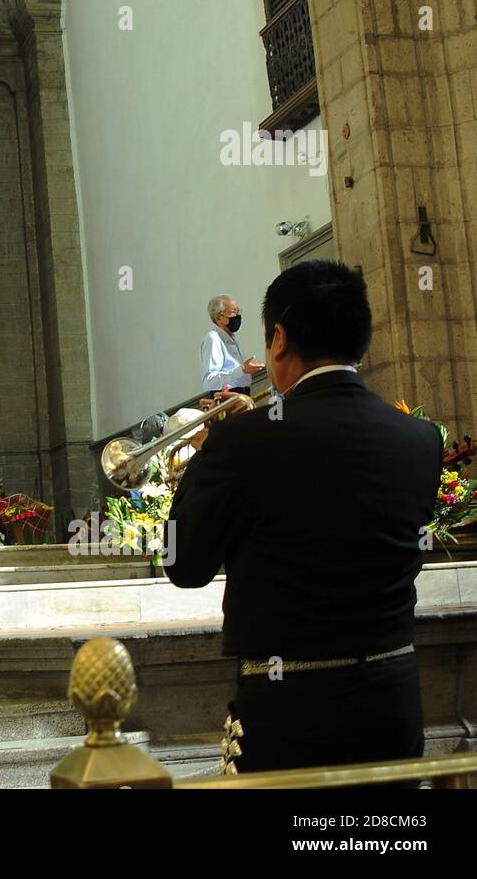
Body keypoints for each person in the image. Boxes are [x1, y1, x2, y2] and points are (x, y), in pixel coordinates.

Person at [167, 261, 441, 774]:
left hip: (287, 713)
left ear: (279, 340)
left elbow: (184, 565)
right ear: (361, 336)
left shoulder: (242, 442)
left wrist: (205, 457)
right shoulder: (420, 440)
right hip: (394, 706)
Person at [200, 293, 263, 394]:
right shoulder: (213, 339)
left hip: (243, 394)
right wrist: (242, 370)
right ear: (219, 317)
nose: (238, 316)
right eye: (233, 312)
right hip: (228, 397)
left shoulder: (233, 338)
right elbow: (209, 381)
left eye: (238, 311)